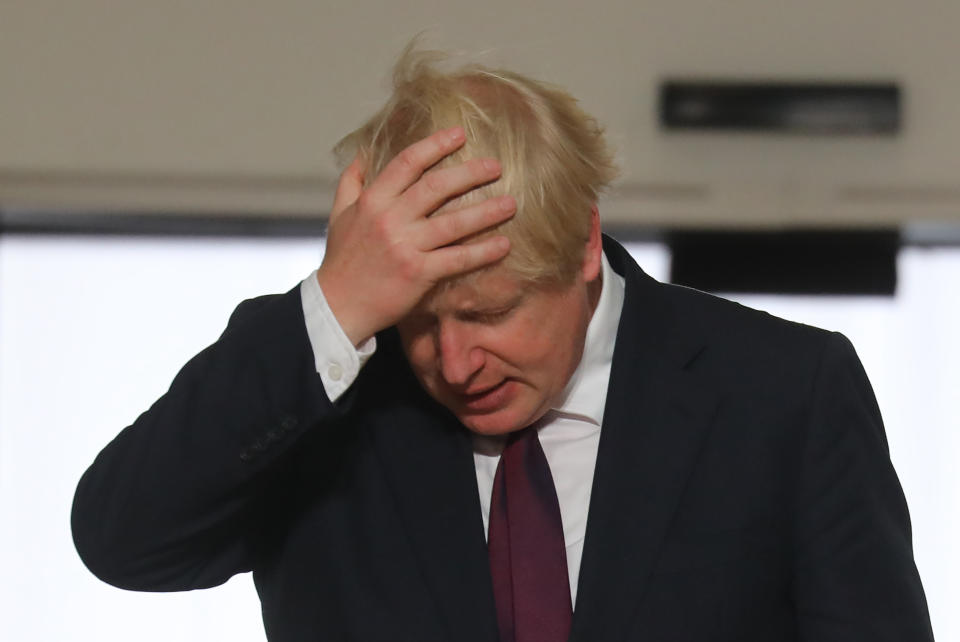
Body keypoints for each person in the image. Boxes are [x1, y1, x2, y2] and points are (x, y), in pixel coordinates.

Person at [72, 44, 935, 642]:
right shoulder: (328, 401)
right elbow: (126, 541)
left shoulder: (784, 394)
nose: (453, 363)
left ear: (585, 244)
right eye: (419, 321)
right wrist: (335, 308)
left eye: (488, 312)